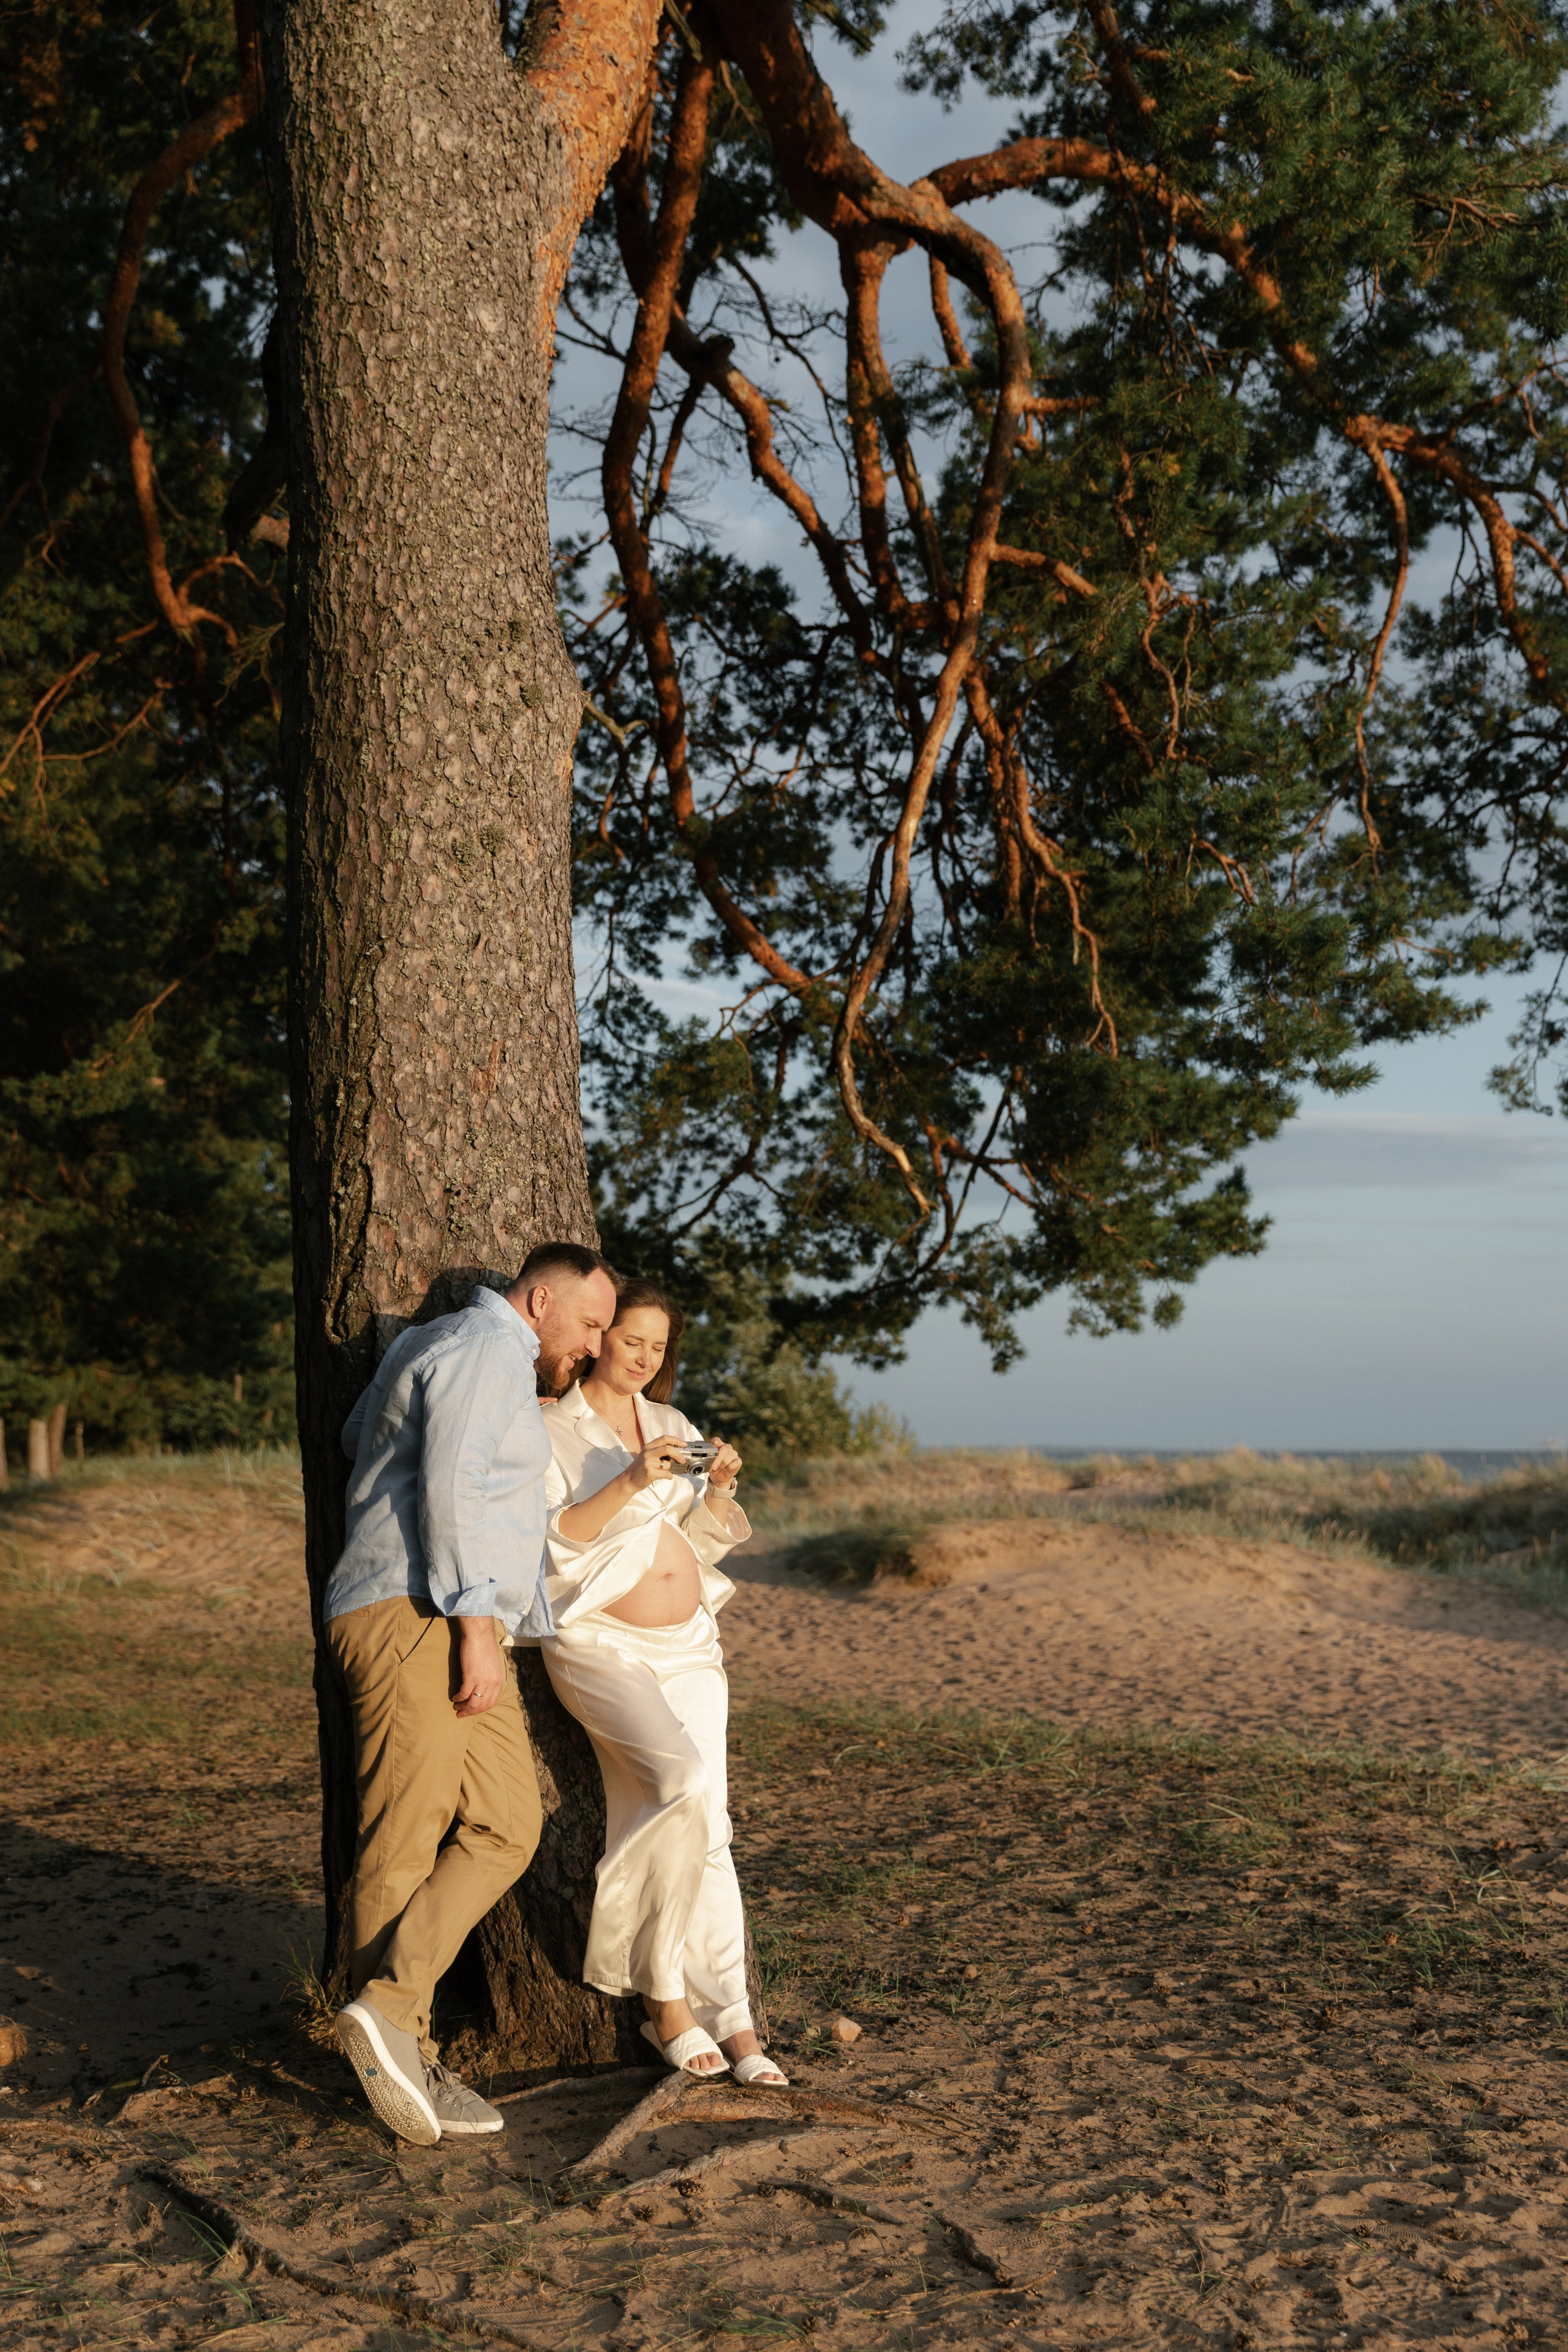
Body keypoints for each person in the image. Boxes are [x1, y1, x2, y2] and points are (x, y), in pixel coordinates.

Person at [325, 1240, 619, 2145]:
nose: (598, 1346)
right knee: (404, 1837)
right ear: (538, 1301)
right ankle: (395, 2045)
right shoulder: (487, 1348)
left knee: (507, 1822)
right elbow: (449, 1489)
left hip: (442, 1612)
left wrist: (508, 1429)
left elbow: (355, 1438)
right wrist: (474, 1626)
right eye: (593, 1323)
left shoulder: (445, 1348)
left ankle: (388, 2010)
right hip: (419, 1613)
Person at [535, 1278, 786, 2084]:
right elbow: (553, 1544)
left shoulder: (673, 1425)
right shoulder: (544, 1427)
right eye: (630, 1339)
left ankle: (738, 2020)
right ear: (599, 1336)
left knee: (710, 1825)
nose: (643, 1358)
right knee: (675, 1788)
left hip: (692, 1648)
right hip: (600, 1645)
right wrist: (636, 1479)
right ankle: (662, 1998)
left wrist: (717, 1494)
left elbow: (695, 1547)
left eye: (658, 1347)